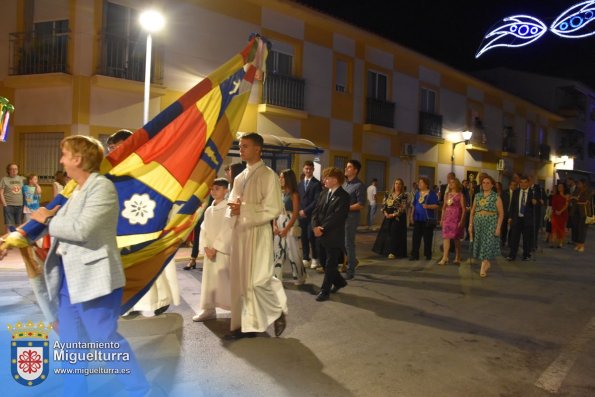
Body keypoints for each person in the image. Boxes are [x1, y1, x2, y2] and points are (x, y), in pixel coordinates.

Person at [29, 135, 149, 397]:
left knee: (103, 339)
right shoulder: (78, 189)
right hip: (68, 280)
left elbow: (82, 229)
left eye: (64, 154)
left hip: (95, 279)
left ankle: (139, 390)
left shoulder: (101, 187)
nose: (61, 160)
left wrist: (48, 220)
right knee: (70, 344)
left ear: (77, 159)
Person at [108, 128, 180, 317]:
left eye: (118, 146)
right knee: (125, 264)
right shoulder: (110, 170)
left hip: (145, 217)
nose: (114, 151)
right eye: (112, 148)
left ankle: (158, 301)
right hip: (121, 222)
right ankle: (128, 304)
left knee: (149, 262)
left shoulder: (149, 166)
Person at [226, 132, 287, 339]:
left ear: (257, 149)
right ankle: (245, 324)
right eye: (240, 146)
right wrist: (233, 209)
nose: (241, 149)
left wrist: (242, 209)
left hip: (258, 232)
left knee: (257, 280)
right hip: (241, 232)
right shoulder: (240, 177)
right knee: (240, 280)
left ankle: (276, 310)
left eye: (245, 146)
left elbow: (273, 208)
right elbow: (231, 203)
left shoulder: (268, 175)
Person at [192, 178, 232, 322]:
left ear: (226, 190)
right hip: (210, 251)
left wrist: (216, 247)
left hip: (222, 250)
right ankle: (208, 309)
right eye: (212, 189)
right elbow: (203, 229)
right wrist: (205, 247)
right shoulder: (209, 209)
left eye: (218, 188)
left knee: (226, 281)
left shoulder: (229, 208)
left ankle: (237, 311)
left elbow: (228, 228)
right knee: (209, 281)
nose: (214, 191)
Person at [311, 167, 350, 302]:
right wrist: (315, 226)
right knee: (323, 261)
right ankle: (339, 282)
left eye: (327, 178)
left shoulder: (344, 196)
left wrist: (322, 228)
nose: (324, 180)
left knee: (330, 263)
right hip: (320, 234)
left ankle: (324, 291)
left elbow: (337, 216)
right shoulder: (323, 193)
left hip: (333, 235)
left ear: (336, 179)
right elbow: (316, 211)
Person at [274, 169, 306, 285]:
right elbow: (275, 211)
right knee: (277, 252)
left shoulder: (294, 194)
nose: (280, 179)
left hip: (290, 224)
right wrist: (274, 225)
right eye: (280, 177)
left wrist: (286, 229)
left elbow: (295, 213)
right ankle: (276, 277)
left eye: (282, 177)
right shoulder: (279, 193)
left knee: (294, 253)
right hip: (279, 222)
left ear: (288, 179)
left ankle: (299, 277)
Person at [468, 175, 503, 277]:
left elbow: (501, 214)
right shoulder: (478, 196)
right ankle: (486, 262)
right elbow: (472, 211)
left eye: (488, 183)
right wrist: (470, 225)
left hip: (491, 223)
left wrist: (498, 227)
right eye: (484, 183)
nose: (485, 185)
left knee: (486, 244)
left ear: (492, 185)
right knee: (480, 243)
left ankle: (483, 266)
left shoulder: (496, 197)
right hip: (478, 222)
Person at [372, 178, 409, 259]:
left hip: (398, 217)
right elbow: (383, 205)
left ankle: (393, 252)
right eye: (396, 183)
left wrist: (392, 215)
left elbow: (403, 208)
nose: (398, 185)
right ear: (394, 184)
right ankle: (386, 250)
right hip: (387, 216)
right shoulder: (388, 194)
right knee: (387, 233)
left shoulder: (404, 195)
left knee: (394, 233)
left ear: (402, 185)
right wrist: (385, 213)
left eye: (399, 184)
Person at [342, 159, 366, 279]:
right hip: (342, 217)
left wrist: (346, 208)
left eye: (349, 167)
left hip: (351, 218)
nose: (346, 169)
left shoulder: (359, 185)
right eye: (346, 166)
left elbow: (361, 204)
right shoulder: (345, 184)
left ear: (355, 170)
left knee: (348, 243)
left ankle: (350, 270)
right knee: (342, 242)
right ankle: (353, 261)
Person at [507, 175, 539, 261]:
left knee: (526, 239)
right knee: (514, 238)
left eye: (525, 182)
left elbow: (538, 205)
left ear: (528, 183)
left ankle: (526, 255)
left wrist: (535, 202)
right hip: (517, 218)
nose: (523, 184)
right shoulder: (516, 192)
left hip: (527, 219)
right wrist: (510, 217)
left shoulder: (533, 193)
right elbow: (512, 205)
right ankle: (512, 255)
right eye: (521, 182)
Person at [297, 160, 322, 270]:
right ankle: (305, 258)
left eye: (310, 169)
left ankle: (315, 258)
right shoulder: (300, 184)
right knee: (303, 237)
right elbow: (297, 199)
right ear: (303, 169)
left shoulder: (317, 184)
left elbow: (316, 201)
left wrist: (305, 211)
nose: (308, 170)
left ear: (313, 170)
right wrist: (299, 211)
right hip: (301, 215)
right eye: (306, 168)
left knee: (311, 237)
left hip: (312, 215)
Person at [409, 177, 439, 261]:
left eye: (421, 183)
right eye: (419, 183)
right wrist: (411, 215)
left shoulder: (432, 194)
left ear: (426, 184)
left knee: (427, 238)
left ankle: (428, 254)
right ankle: (415, 254)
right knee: (416, 237)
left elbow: (436, 205)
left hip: (427, 219)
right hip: (418, 218)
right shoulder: (417, 194)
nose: (419, 184)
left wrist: (428, 206)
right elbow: (414, 205)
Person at [437, 178, 465, 265]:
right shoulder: (447, 195)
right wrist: (442, 219)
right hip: (447, 219)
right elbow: (444, 208)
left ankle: (458, 256)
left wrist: (461, 221)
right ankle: (445, 257)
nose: (451, 184)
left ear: (457, 184)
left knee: (456, 239)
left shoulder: (460, 195)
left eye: (453, 182)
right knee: (446, 238)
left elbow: (464, 209)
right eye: (450, 182)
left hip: (456, 218)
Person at [1, 163, 26, 233]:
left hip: (20, 205)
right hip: (8, 205)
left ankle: (16, 241)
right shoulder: (4, 179)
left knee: (19, 225)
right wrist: (5, 204)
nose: (14, 170)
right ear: (8, 170)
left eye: (16, 169)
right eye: (12, 169)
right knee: (9, 225)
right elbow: (1, 193)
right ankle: (8, 241)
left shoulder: (22, 179)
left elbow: (30, 185)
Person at [572, 178, 590, 253]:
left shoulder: (587, 191)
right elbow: (572, 197)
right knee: (576, 227)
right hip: (576, 211)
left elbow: (586, 200)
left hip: (584, 213)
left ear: (583, 184)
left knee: (582, 229)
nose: (578, 185)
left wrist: (577, 199)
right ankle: (577, 244)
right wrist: (575, 198)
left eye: (579, 183)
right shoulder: (577, 190)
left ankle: (581, 245)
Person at [550, 182, 569, 249]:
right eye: (558, 186)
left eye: (561, 186)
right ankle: (553, 242)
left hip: (562, 214)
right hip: (555, 214)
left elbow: (566, 205)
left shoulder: (566, 196)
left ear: (564, 188)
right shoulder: (555, 196)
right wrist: (556, 211)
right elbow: (553, 204)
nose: (559, 188)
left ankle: (560, 243)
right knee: (554, 227)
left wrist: (560, 211)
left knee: (561, 228)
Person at [500, 180, 517, 248]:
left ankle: (510, 242)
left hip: (512, 214)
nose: (514, 186)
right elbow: (501, 203)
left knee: (512, 229)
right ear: (509, 185)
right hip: (505, 213)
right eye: (512, 185)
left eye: (515, 185)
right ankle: (503, 241)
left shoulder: (517, 193)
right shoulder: (504, 192)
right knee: (504, 228)